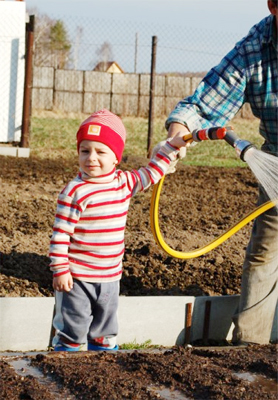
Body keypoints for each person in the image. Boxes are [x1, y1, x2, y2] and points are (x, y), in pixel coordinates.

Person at [164, 0, 278, 345]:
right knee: (266, 252)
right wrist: (177, 133)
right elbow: (203, 105)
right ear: (273, 5)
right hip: (276, 167)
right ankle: (251, 349)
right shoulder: (254, 50)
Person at [49, 109, 187, 352]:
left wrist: (171, 147)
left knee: (105, 325)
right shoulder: (74, 192)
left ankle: (104, 356)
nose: (91, 158)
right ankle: (65, 355)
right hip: (78, 277)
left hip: (111, 275)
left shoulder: (124, 183)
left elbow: (153, 172)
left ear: (116, 158)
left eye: (101, 151)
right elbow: (60, 235)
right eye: (85, 150)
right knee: (74, 325)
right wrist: (60, 270)